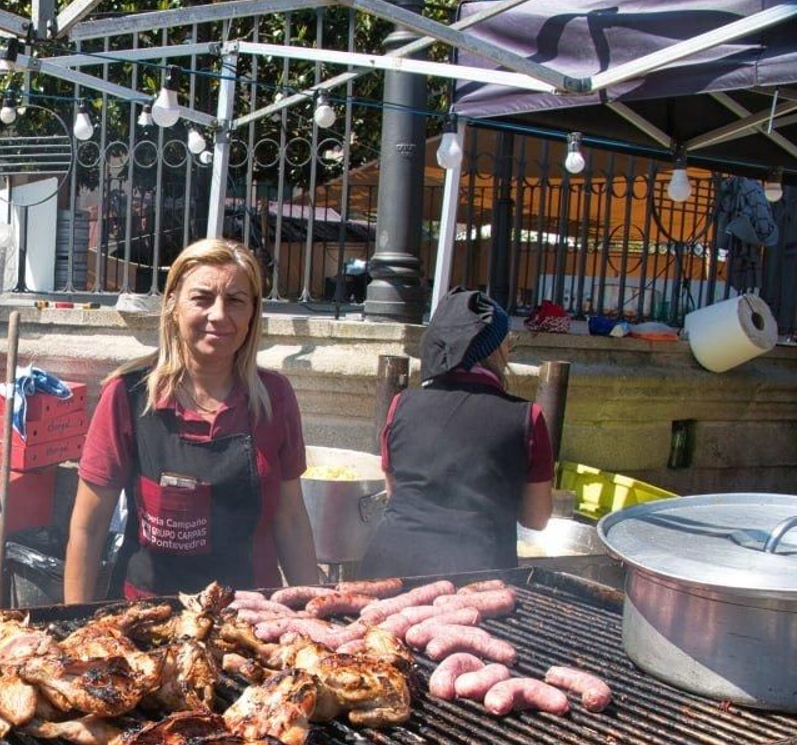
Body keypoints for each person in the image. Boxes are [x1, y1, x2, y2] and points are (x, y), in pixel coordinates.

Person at [63, 238, 320, 601]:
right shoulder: (128, 396)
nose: (219, 315)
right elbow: (88, 528)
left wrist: (313, 610)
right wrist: (75, 626)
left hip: (252, 619)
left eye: (235, 300)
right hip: (149, 620)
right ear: (173, 307)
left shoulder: (274, 397)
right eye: (202, 298)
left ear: (252, 315)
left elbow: (291, 520)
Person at [359, 287, 553, 578]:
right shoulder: (528, 417)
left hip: (388, 570)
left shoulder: (402, 404)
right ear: (496, 350)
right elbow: (536, 519)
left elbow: (395, 491)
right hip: (477, 578)